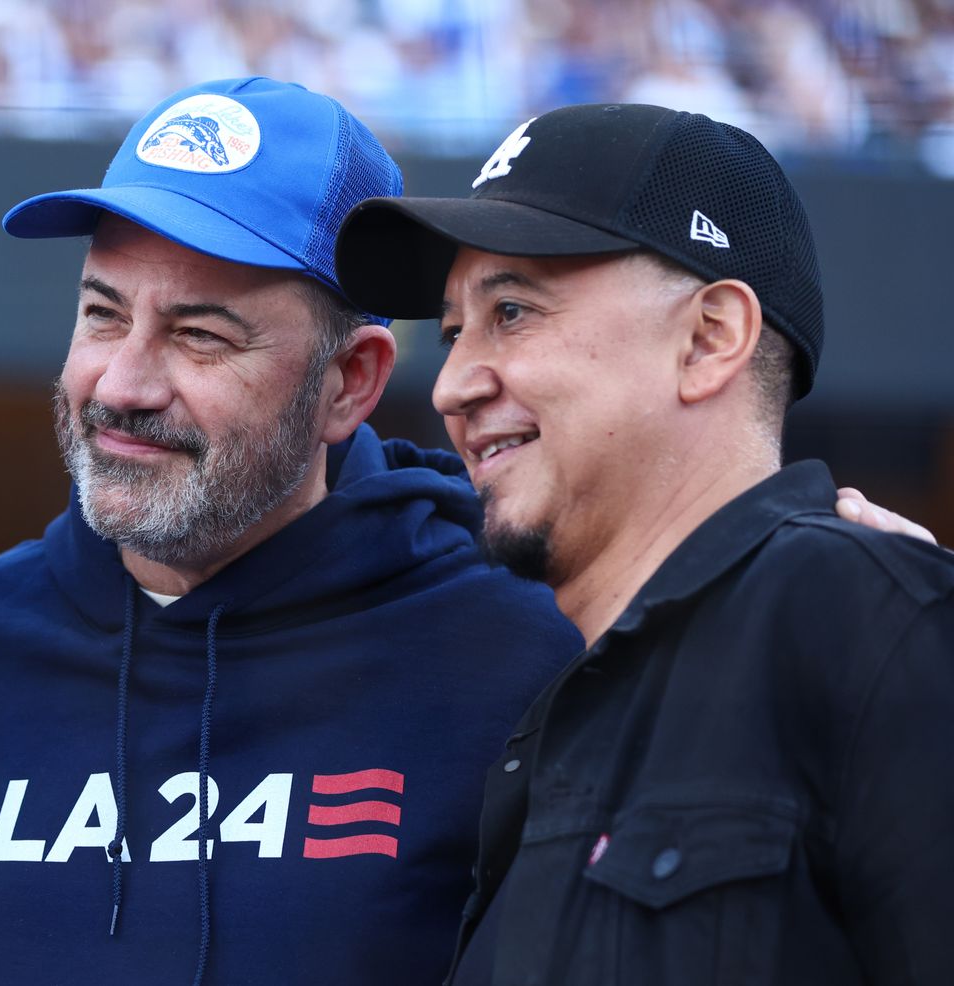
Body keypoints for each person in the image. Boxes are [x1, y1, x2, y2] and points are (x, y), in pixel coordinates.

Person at [0, 78, 585, 986]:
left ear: (348, 383)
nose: (122, 386)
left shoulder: (518, 651)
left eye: (200, 335)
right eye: (103, 314)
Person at [334, 102, 954, 984]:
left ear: (708, 339)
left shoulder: (865, 618)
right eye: (453, 332)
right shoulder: (555, 708)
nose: (452, 385)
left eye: (512, 311)